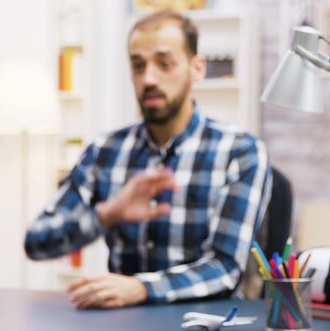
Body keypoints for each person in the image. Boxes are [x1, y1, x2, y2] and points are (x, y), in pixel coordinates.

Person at [24, 10, 272, 309]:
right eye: (138, 65)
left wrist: (141, 288)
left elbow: (225, 269)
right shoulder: (105, 151)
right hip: (122, 327)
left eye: (164, 63)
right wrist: (107, 214)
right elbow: (36, 242)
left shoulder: (240, 152)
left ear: (198, 68)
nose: (148, 78)